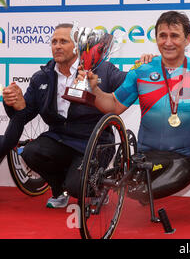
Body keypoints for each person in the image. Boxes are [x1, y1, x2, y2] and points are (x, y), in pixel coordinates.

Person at [80, 11, 190, 202]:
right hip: (146, 156)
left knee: (144, 193)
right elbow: (113, 106)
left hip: (183, 158)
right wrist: (94, 88)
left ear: (187, 39)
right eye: (163, 36)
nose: (168, 42)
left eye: (175, 36)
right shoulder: (142, 69)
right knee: (134, 190)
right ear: (156, 38)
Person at [1, 23, 127, 208]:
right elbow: (24, 113)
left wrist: (146, 67)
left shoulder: (102, 69)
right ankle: (60, 189)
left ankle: (95, 189)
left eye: (63, 41)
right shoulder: (41, 77)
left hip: (94, 142)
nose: (57, 46)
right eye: (54, 42)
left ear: (77, 46)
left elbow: (130, 84)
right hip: (60, 139)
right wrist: (14, 103)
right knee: (31, 152)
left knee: (78, 187)